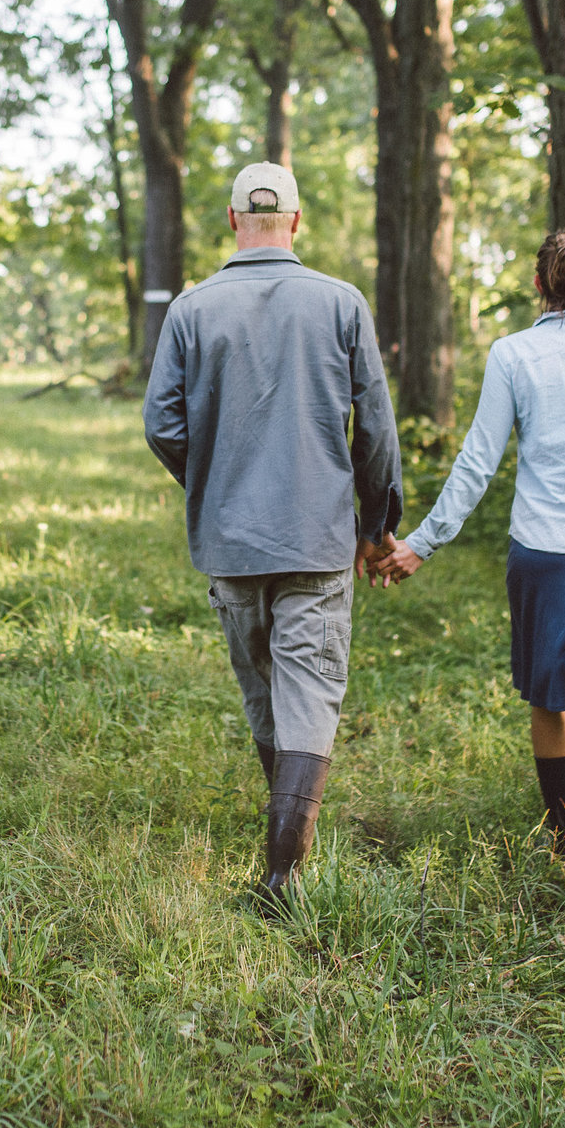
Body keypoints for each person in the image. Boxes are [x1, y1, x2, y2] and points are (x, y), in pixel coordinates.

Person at [365, 228, 565, 914]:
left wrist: (420, 542)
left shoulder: (513, 353)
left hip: (546, 552)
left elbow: (478, 461)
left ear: (540, 286)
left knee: (553, 695)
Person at [143, 160, 402, 908]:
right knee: (308, 697)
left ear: (232, 221)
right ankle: (284, 874)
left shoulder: (191, 310)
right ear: (296, 221)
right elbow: (376, 429)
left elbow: (162, 424)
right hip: (316, 538)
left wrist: (215, 481)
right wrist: (375, 522)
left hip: (231, 540)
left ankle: (284, 849)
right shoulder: (341, 303)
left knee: (266, 696)